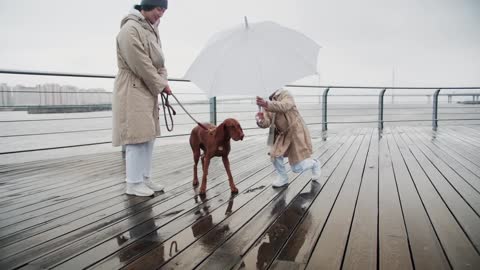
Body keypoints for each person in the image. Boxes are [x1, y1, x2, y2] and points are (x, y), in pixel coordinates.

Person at [112, 0, 171, 196]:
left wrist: (162, 80)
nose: (161, 13)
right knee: (136, 137)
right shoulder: (130, 29)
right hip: (133, 88)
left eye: (163, 10)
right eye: (158, 9)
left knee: (148, 135)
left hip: (148, 88)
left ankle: (144, 178)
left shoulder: (152, 30)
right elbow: (141, 64)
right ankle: (133, 182)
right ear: (146, 6)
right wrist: (162, 84)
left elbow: (160, 62)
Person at [255, 89, 321, 187]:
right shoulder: (266, 103)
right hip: (282, 134)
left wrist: (266, 104)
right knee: (275, 155)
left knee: (297, 168)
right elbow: (267, 123)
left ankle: (315, 163)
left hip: (295, 132)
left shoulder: (286, 94)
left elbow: (284, 106)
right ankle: (283, 178)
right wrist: (260, 120)